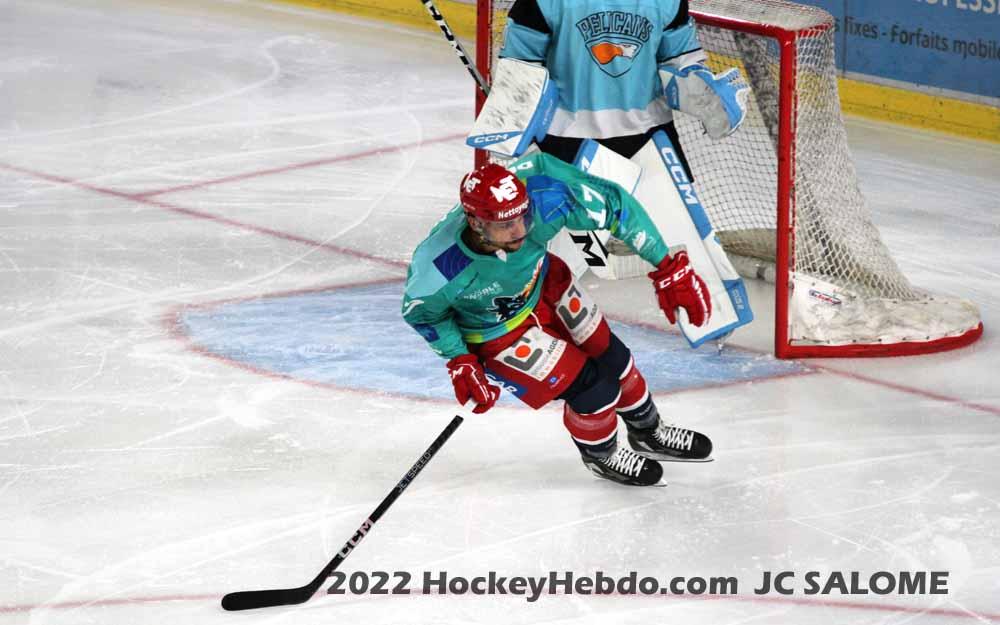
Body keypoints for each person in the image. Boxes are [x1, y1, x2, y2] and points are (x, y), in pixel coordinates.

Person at [401, 155, 714, 487]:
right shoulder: (438, 267)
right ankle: (601, 455)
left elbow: (616, 205)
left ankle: (649, 432)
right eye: (506, 225)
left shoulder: (542, 195)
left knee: (616, 360)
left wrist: (667, 267)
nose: (521, 230)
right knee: (596, 390)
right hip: (495, 332)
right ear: (476, 223)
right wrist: (459, 359)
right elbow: (423, 315)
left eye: (522, 217)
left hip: (545, 283)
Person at [498, 0, 746, 171]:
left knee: (674, 231)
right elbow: (519, 72)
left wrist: (701, 91)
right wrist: (517, 140)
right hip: (569, 140)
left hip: (646, 136)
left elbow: (679, 59)